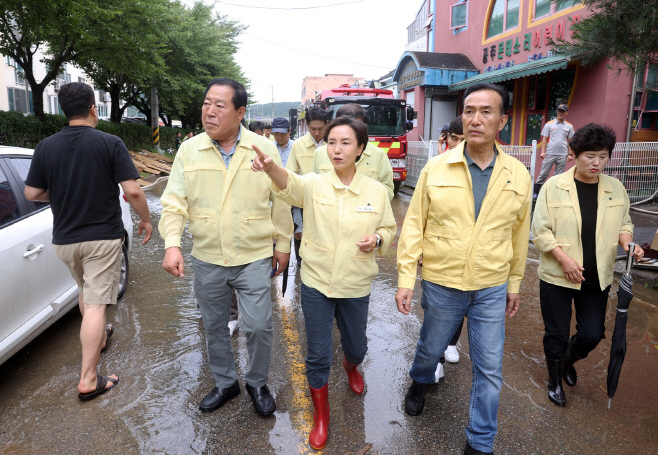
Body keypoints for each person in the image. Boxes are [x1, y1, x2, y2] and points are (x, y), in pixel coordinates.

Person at [396, 82, 532, 455]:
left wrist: (515, 283)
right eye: (469, 111)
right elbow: (414, 225)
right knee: (430, 348)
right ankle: (420, 381)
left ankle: (480, 442)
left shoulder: (517, 175)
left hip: (491, 284)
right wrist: (406, 279)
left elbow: (519, 236)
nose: (475, 119)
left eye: (486, 112)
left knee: (490, 369)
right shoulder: (437, 168)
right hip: (443, 282)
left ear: (502, 120)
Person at [252, 116, 396, 450]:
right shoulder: (315, 183)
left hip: (356, 283)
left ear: (361, 148)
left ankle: (352, 365)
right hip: (317, 282)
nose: (337, 149)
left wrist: (376, 238)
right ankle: (321, 416)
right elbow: (288, 184)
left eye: (346, 143)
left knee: (356, 346)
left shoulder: (375, 190)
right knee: (316, 355)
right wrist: (272, 166)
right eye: (332, 142)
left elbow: (388, 229)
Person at [159, 78, 293, 416]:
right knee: (214, 325)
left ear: (240, 112)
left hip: (253, 254)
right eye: (207, 103)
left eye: (220, 105)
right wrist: (172, 244)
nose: (210, 111)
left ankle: (257, 382)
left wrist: (283, 244)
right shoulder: (189, 150)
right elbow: (174, 202)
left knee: (259, 325)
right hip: (208, 256)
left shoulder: (262, 149)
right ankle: (225, 383)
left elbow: (280, 199)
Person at [24, 82, 153, 400]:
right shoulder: (109, 142)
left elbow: (32, 193)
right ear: (93, 108)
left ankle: (101, 337)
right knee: (97, 304)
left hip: (65, 239)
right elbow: (133, 190)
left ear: (63, 110)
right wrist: (147, 220)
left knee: (85, 291)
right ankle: (88, 379)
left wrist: (67, 189)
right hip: (101, 238)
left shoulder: (46, 146)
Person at [531, 123, 644, 407]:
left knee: (592, 334)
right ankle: (554, 380)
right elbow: (541, 231)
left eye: (603, 156)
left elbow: (625, 222)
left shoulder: (615, 188)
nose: (596, 163)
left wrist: (628, 243)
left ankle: (568, 359)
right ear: (574, 153)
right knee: (555, 332)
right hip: (558, 274)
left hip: (596, 276)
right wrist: (565, 259)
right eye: (590, 156)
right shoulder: (554, 187)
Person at [312, 104, 395, 201]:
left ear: (365, 127)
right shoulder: (320, 153)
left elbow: (388, 191)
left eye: (356, 126)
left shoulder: (379, 155)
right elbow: (314, 187)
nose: (351, 131)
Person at [286, 107, 329, 266]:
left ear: (327, 124)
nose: (317, 133)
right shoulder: (299, 145)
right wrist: (290, 196)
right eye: (313, 129)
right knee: (300, 231)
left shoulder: (333, 143)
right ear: (307, 126)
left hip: (328, 196)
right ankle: (300, 260)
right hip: (304, 196)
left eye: (320, 129)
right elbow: (291, 172)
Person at [534, 104, 575, 198]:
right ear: (557, 112)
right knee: (544, 173)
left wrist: (570, 154)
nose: (560, 113)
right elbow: (544, 139)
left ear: (567, 113)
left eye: (563, 111)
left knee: (558, 175)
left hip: (563, 154)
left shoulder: (569, 126)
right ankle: (536, 192)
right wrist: (542, 152)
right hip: (550, 153)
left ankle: (554, 194)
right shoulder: (549, 124)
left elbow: (570, 141)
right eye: (559, 111)